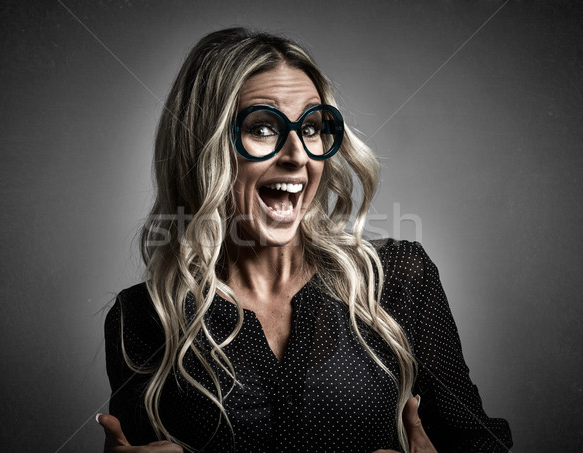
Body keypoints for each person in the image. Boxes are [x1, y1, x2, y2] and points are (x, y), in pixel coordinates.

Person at [98, 27, 512, 453]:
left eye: (311, 127)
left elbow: (479, 442)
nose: (297, 154)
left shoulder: (395, 281)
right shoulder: (146, 318)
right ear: (203, 146)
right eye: (262, 128)